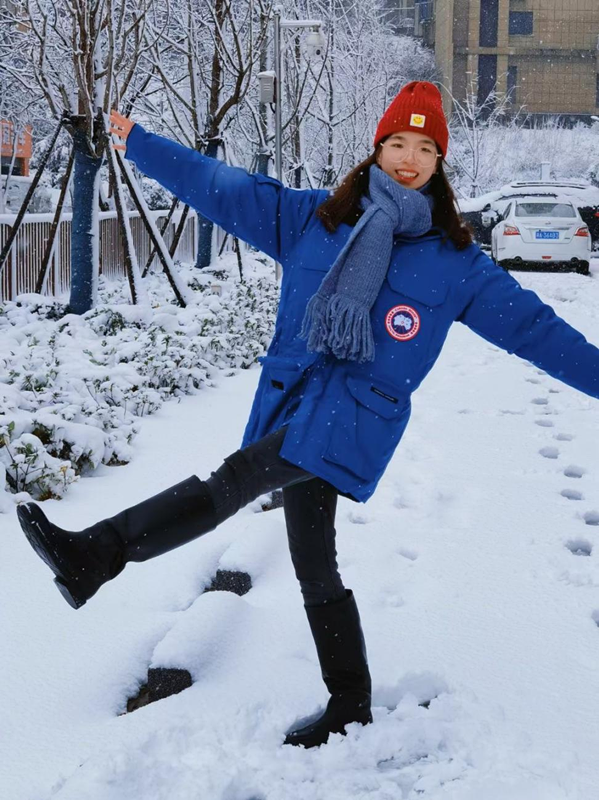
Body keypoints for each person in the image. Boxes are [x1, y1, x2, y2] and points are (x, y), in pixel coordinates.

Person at [16, 82, 599, 749]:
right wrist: (144, 146)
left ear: (440, 161)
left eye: (424, 147)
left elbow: (536, 330)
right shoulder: (315, 218)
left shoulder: (456, 262)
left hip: (354, 422)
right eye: (397, 143)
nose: (408, 158)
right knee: (313, 561)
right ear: (377, 149)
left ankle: (97, 553)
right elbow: (223, 188)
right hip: (293, 404)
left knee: (232, 481)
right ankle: (349, 701)